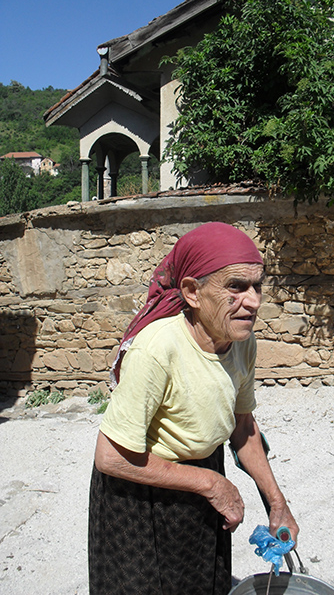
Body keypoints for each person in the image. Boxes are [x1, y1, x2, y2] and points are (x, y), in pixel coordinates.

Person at [88, 222, 299, 595]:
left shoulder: (242, 343)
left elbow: (243, 427)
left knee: (202, 583)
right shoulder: (158, 349)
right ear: (192, 292)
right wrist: (211, 483)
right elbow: (110, 457)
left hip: (199, 481)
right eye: (236, 287)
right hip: (140, 494)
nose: (253, 301)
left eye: (257, 286)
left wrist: (276, 502)